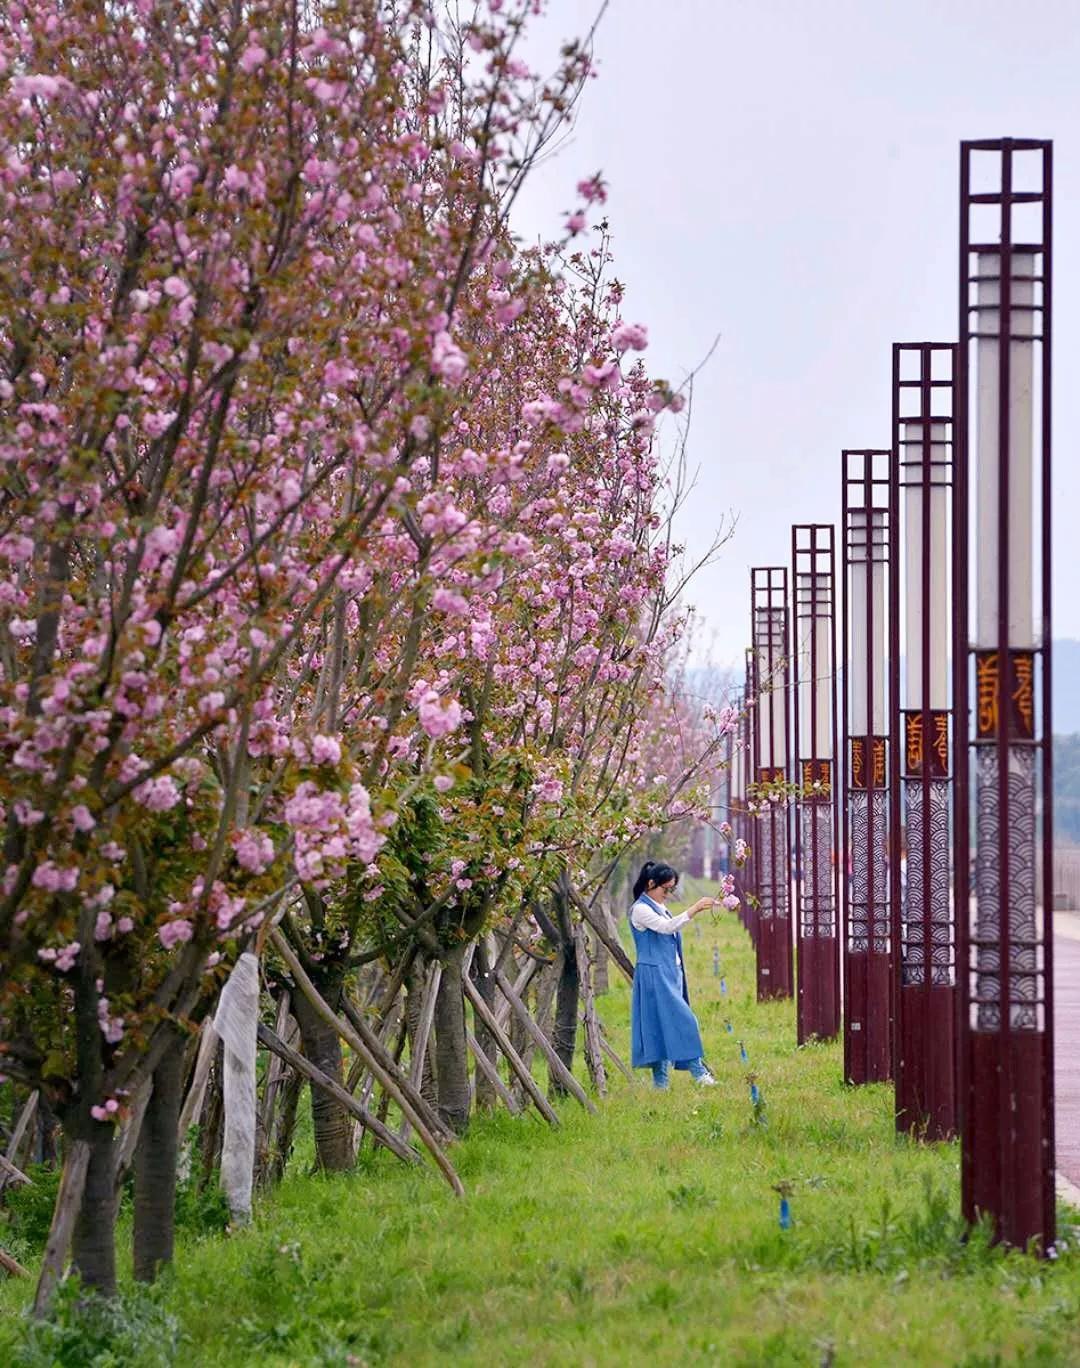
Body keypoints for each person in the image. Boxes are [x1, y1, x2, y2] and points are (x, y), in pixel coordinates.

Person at [628, 860, 720, 1089]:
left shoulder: (658, 906)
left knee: (659, 1025)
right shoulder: (640, 909)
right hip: (654, 973)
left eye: (671, 889)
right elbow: (666, 927)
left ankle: (661, 1084)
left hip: (670, 972)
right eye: (665, 889)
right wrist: (695, 909)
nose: (668, 894)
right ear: (651, 883)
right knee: (684, 1019)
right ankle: (699, 1074)